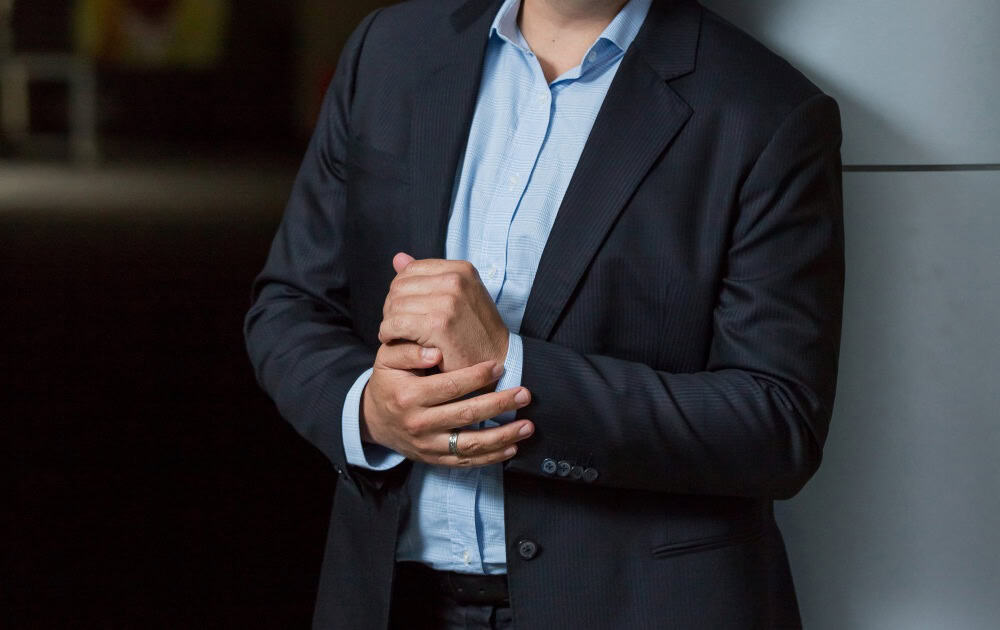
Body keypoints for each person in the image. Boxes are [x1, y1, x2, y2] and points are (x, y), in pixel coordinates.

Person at [244, 0, 844, 627]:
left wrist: (512, 371)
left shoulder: (766, 109)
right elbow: (290, 304)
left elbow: (778, 421)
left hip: (637, 608)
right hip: (393, 600)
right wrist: (370, 411)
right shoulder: (389, 49)